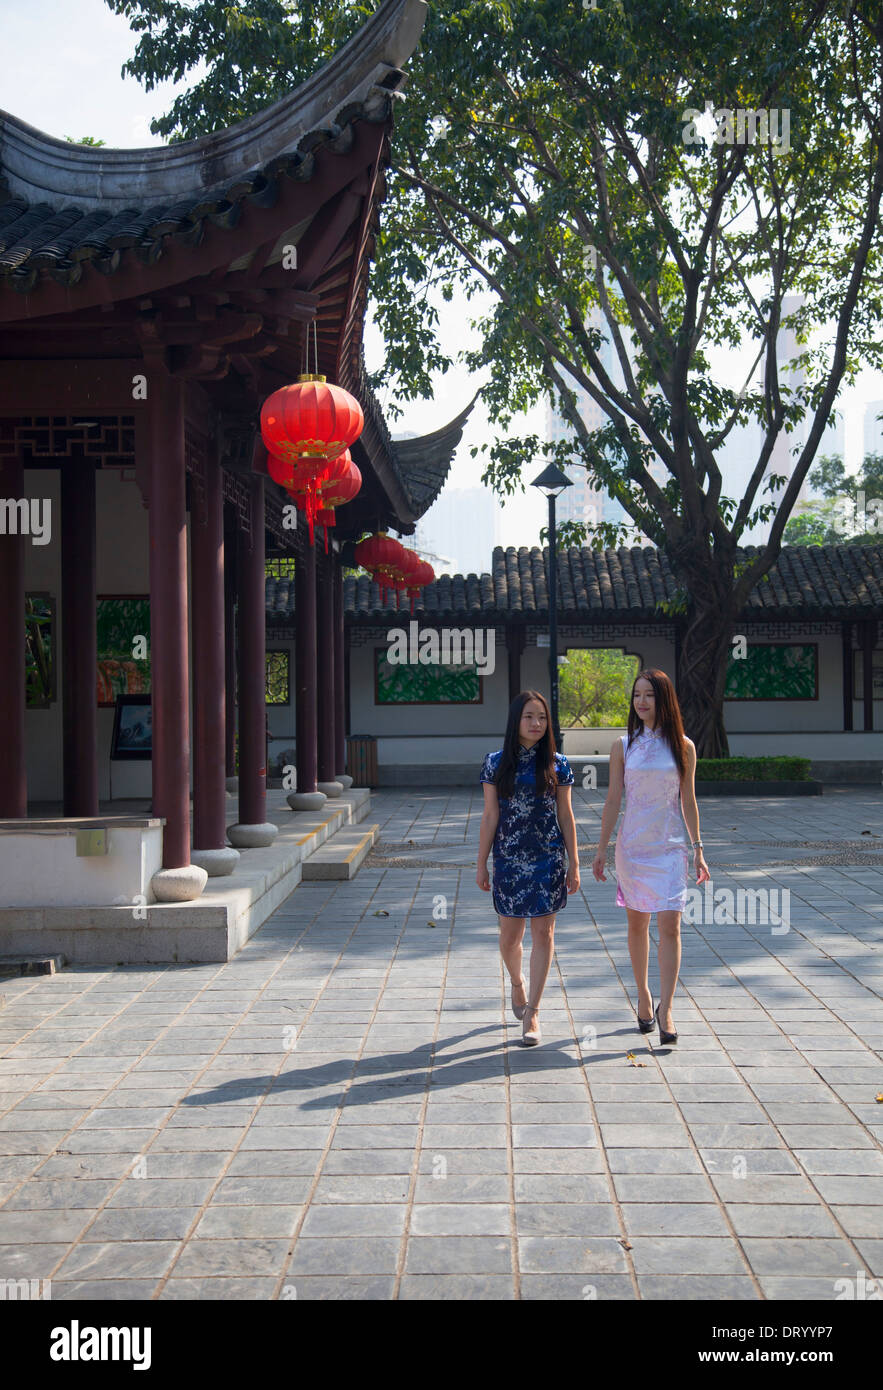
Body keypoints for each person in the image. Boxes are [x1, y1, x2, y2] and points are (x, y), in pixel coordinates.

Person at [592, 668, 709, 1044]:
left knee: (671, 926)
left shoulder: (684, 747)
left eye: (649, 695)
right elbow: (613, 800)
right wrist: (601, 849)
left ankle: (668, 1008)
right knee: (637, 925)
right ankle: (643, 996)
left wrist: (698, 850)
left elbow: (688, 800)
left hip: (672, 847)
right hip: (633, 848)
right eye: (637, 695)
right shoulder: (622, 745)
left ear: (664, 699)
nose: (641, 702)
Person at [477, 690, 578, 1046]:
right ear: (515, 721)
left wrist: (574, 864)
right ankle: (517, 984)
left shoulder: (558, 763)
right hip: (507, 859)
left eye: (542, 718)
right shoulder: (495, 762)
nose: (536, 724)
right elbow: (490, 816)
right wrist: (481, 865)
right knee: (510, 938)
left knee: (543, 935)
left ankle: (533, 1012)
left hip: (548, 858)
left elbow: (565, 815)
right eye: (529, 717)